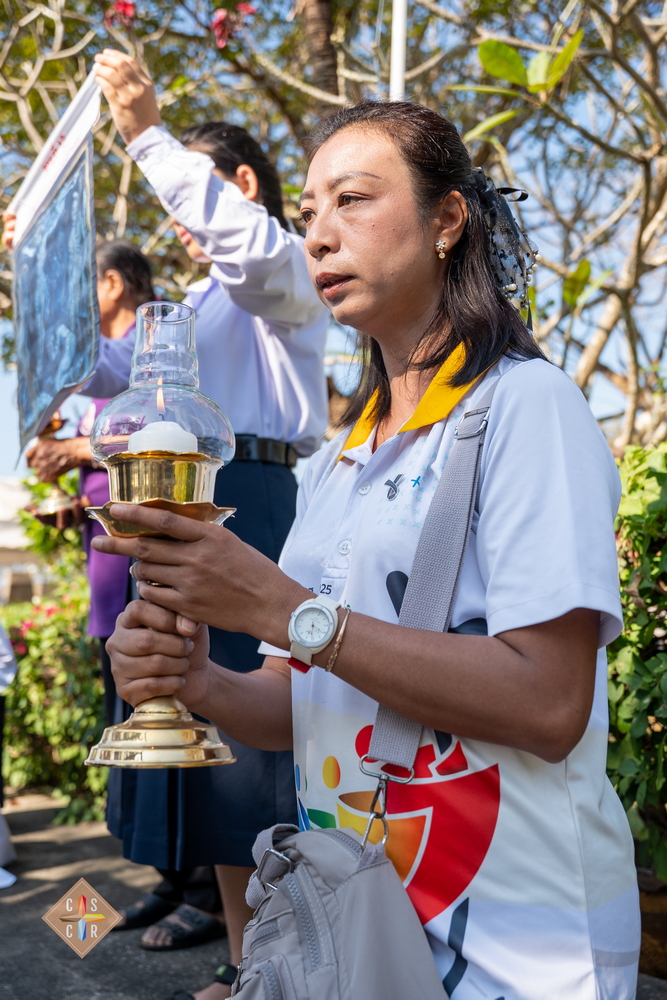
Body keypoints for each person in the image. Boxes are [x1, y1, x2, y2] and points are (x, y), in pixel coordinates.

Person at [96, 98, 640, 1000]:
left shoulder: (526, 406)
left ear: (447, 219)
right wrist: (199, 683)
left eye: (352, 200)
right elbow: (293, 703)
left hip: (517, 943)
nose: (317, 235)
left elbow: (550, 702)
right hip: (363, 932)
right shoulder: (340, 461)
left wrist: (286, 612)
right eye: (310, 212)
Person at [90, 50, 329, 998]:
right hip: (188, 503)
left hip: (255, 501)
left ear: (240, 186)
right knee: (206, 735)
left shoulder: (285, 272)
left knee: (255, 754)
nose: (183, 219)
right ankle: (241, 955)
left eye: (195, 187)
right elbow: (110, 375)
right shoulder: (192, 303)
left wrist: (146, 135)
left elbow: (250, 250)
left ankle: (268, 958)